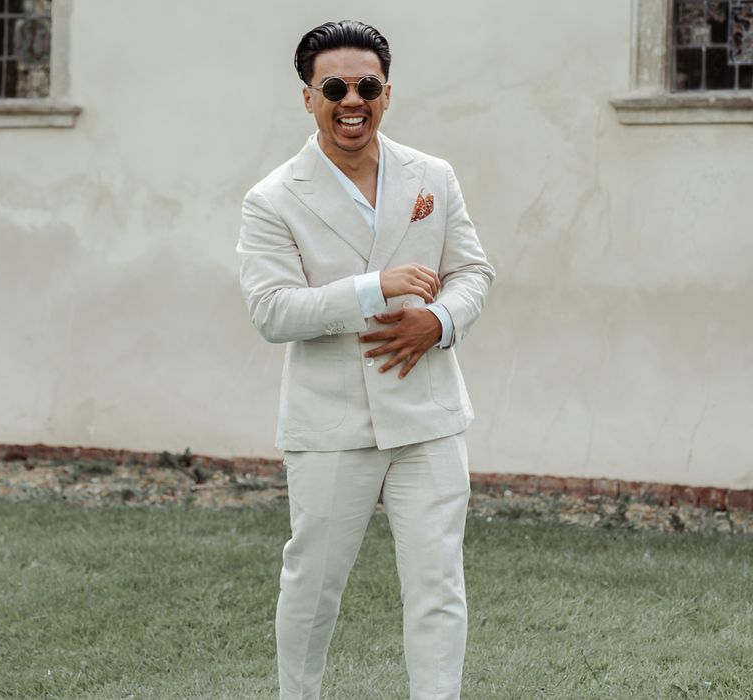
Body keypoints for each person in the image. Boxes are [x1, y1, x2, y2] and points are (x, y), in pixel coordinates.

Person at [236, 19, 495, 700]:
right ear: (307, 96)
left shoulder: (432, 176)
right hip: (331, 426)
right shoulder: (271, 199)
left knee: (438, 587)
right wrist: (373, 288)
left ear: (388, 92)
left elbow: (473, 273)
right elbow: (271, 312)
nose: (353, 100)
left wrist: (436, 322)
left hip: (429, 419)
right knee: (313, 588)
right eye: (335, 87)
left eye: (368, 86)